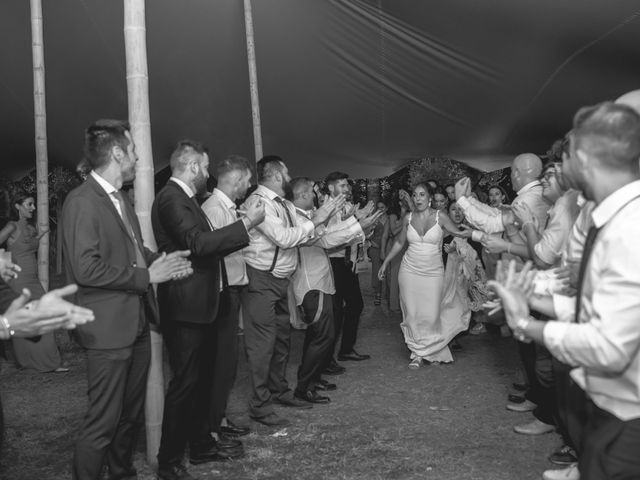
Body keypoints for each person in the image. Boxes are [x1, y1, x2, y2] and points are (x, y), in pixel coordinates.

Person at [489, 101, 640, 480]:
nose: (557, 164)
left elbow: (609, 346)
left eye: (567, 155)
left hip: (628, 418)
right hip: (610, 410)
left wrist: (525, 323)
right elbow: (596, 308)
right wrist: (533, 298)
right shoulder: (613, 217)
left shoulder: (627, 230)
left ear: (585, 159)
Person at [61, 120, 193, 480]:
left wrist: (159, 260)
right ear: (117, 153)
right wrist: (147, 276)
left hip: (136, 324)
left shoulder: (119, 197)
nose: (137, 157)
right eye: (133, 150)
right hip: (106, 331)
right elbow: (86, 268)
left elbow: (132, 250)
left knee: (129, 417)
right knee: (102, 422)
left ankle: (122, 474)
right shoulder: (82, 202)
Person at [152, 143, 263, 479]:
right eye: (206, 165)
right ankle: (169, 461)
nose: (210, 172)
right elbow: (198, 245)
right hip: (185, 305)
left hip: (202, 304)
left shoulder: (187, 200)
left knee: (200, 382)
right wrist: (248, 226)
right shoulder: (172, 198)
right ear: (194, 167)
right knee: (185, 384)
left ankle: (200, 446)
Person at [242, 156, 343, 427]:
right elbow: (285, 238)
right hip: (261, 279)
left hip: (282, 279)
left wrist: (320, 223)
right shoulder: (258, 204)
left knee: (282, 341)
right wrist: (317, 220)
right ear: (275, 175)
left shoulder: (285, 204)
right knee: (263, 345)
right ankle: (260, 406)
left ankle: (279, 391)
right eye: (286, 173)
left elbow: (301, 236)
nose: (289, 178)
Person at [289, 177, 380, 403]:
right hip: (311, 286)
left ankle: (314, 378)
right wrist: (358, 225)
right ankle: (304, 387)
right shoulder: (298, 219)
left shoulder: (308, 217)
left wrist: (357, 223)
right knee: (322, 336)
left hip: (320, 281)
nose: (316, 196)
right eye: (312, 192)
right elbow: (328, 241)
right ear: (301, 195)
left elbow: (329, 235)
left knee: (319, 336)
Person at [378, 183, 469, 368]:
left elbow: (459, 233)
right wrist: (386, 262)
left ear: (429, 199)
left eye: (422, 195)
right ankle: (417, 353)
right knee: (412, 312)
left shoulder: (440, 216)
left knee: (431, 313)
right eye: (415, 195)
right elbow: (399, 243)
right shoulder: (407, 218)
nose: (418, 198)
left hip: (433, 272)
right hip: (409, 270)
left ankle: (433, 350)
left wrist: (464, 243)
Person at [200, 155, 253, 440]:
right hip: (222, 292)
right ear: (235, 180)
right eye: (246, 180)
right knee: (221, 363)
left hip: (232, 290)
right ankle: (212, 425)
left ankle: (218, 418)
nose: (248, 185)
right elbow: (213, 250)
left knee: (227, 364)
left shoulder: (227, 207)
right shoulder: (215, 208)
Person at [0, 191, 66, 372]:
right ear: (18, 206)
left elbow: (29, 246)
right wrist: (4, 262)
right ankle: (46, 363)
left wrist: (39, 237)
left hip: (33, 279)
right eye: (29, 204)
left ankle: (31, 362)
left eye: (33, 204)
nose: (33, 208)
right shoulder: (12, 226)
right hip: (19, 280)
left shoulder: (30, 228)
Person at [324, 172, 370, 369]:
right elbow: (329, 239)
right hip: (334, 263)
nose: (346, 189)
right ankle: (327, 358)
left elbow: (355, 235)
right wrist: (353, 220)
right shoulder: (325, 209)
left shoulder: (347, 207)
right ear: (331, 188)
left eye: (346, 185)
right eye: (342, 185)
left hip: (348, 262)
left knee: (355, 305)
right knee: (335, 311)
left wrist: (365, 224)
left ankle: (345, 350)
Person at [368, 201, 388, 306]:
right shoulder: (374, 219)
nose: (381, 209)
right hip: (375, 248)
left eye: (383, 207)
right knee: (377, 271)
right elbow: (367, 233)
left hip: (388, 247)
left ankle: (389, 294)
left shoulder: (390, 218)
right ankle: (378, 294)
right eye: (379, 207)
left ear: (387, 208)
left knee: (389, 272)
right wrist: (371, 241)